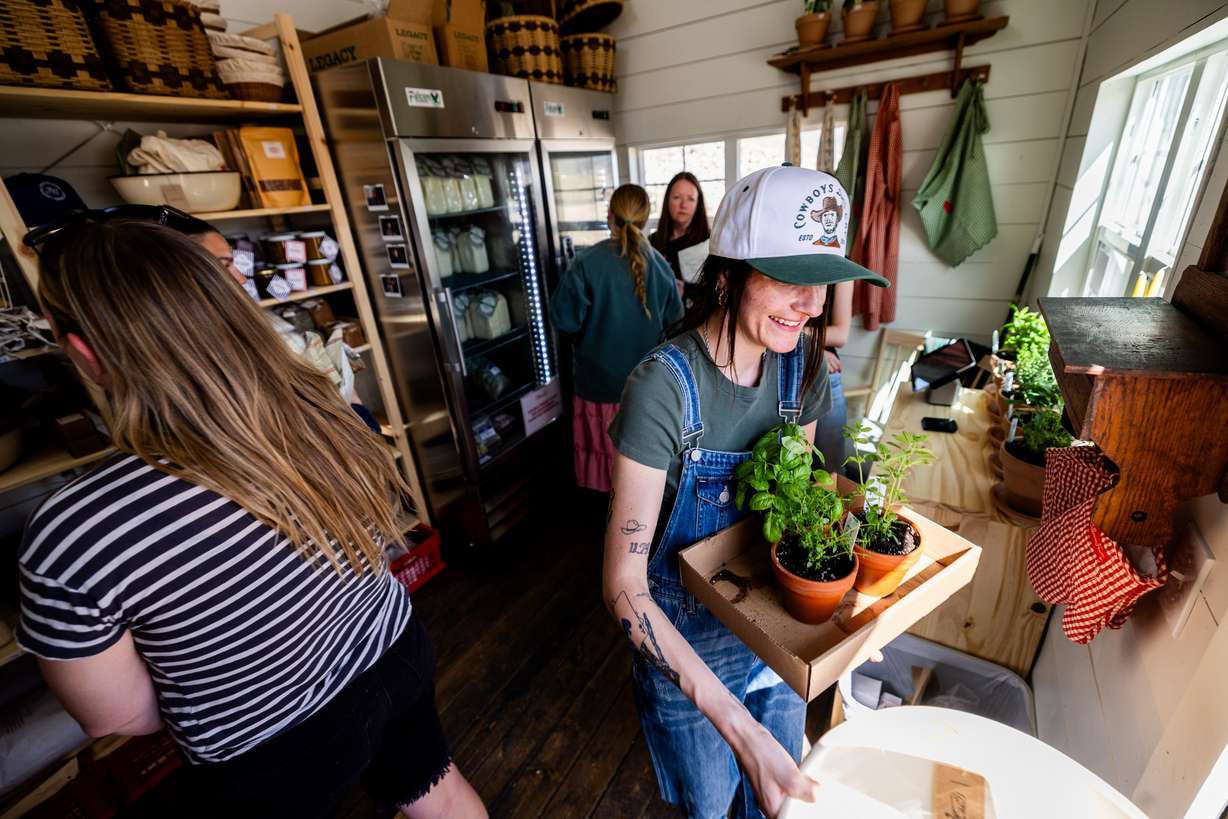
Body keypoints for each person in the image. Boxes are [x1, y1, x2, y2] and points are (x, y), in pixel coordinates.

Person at [17, 215, 487, 819]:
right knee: (439, 793)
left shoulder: (74, 530)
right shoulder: (327, 409)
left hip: (264, 743)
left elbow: (118, 717)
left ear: (84, 352)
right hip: (393, 652)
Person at [605, 166, 889, 818]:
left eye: (822, 283)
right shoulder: (665, 388)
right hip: (690, 667)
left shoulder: (806, 366)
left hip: (780, 645)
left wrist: (867, 595)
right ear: (728, 274)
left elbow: (797, 512)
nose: (813, 305)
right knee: (712, 806)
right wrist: (737, 725)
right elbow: (623, 584)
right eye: (792, 279)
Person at [551, 184, 682, 493]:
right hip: (645, 388)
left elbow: (564, 321)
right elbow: (675, 323)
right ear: (647, 220)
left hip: (597, 386)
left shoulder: (586, 263)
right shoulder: (660, 266)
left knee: (604, 465)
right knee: (638, 475)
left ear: (608, 215)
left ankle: (602, 514)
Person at [649, 172, 710, 302]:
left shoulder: (710, 242)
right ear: (667, 201)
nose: (683, 205)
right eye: (677, 197)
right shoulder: (652, 243)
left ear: (698, 204)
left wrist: (687, 290)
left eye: (691, 199)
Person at [814, 280, 854, 473]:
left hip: (824, 371)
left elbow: (840, 335)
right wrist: (810, 346)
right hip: (776, 361)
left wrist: (806, 342)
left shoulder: (843, 269)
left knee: (832, 466)